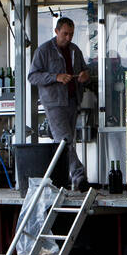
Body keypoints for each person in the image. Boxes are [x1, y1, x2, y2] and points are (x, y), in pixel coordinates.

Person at [28, 17, 91, 191]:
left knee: (65, 143)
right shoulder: (44, 51)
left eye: (71, 34)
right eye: (65, 34)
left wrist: (85, 76)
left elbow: (85, 70)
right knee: (65, 140)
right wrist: (56, 77)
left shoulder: (75, 50)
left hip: (72, 100)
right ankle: (79, 176)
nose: (68, 38)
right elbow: (32, 76)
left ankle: (61, 179)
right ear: (56, 31)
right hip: (54, 103)